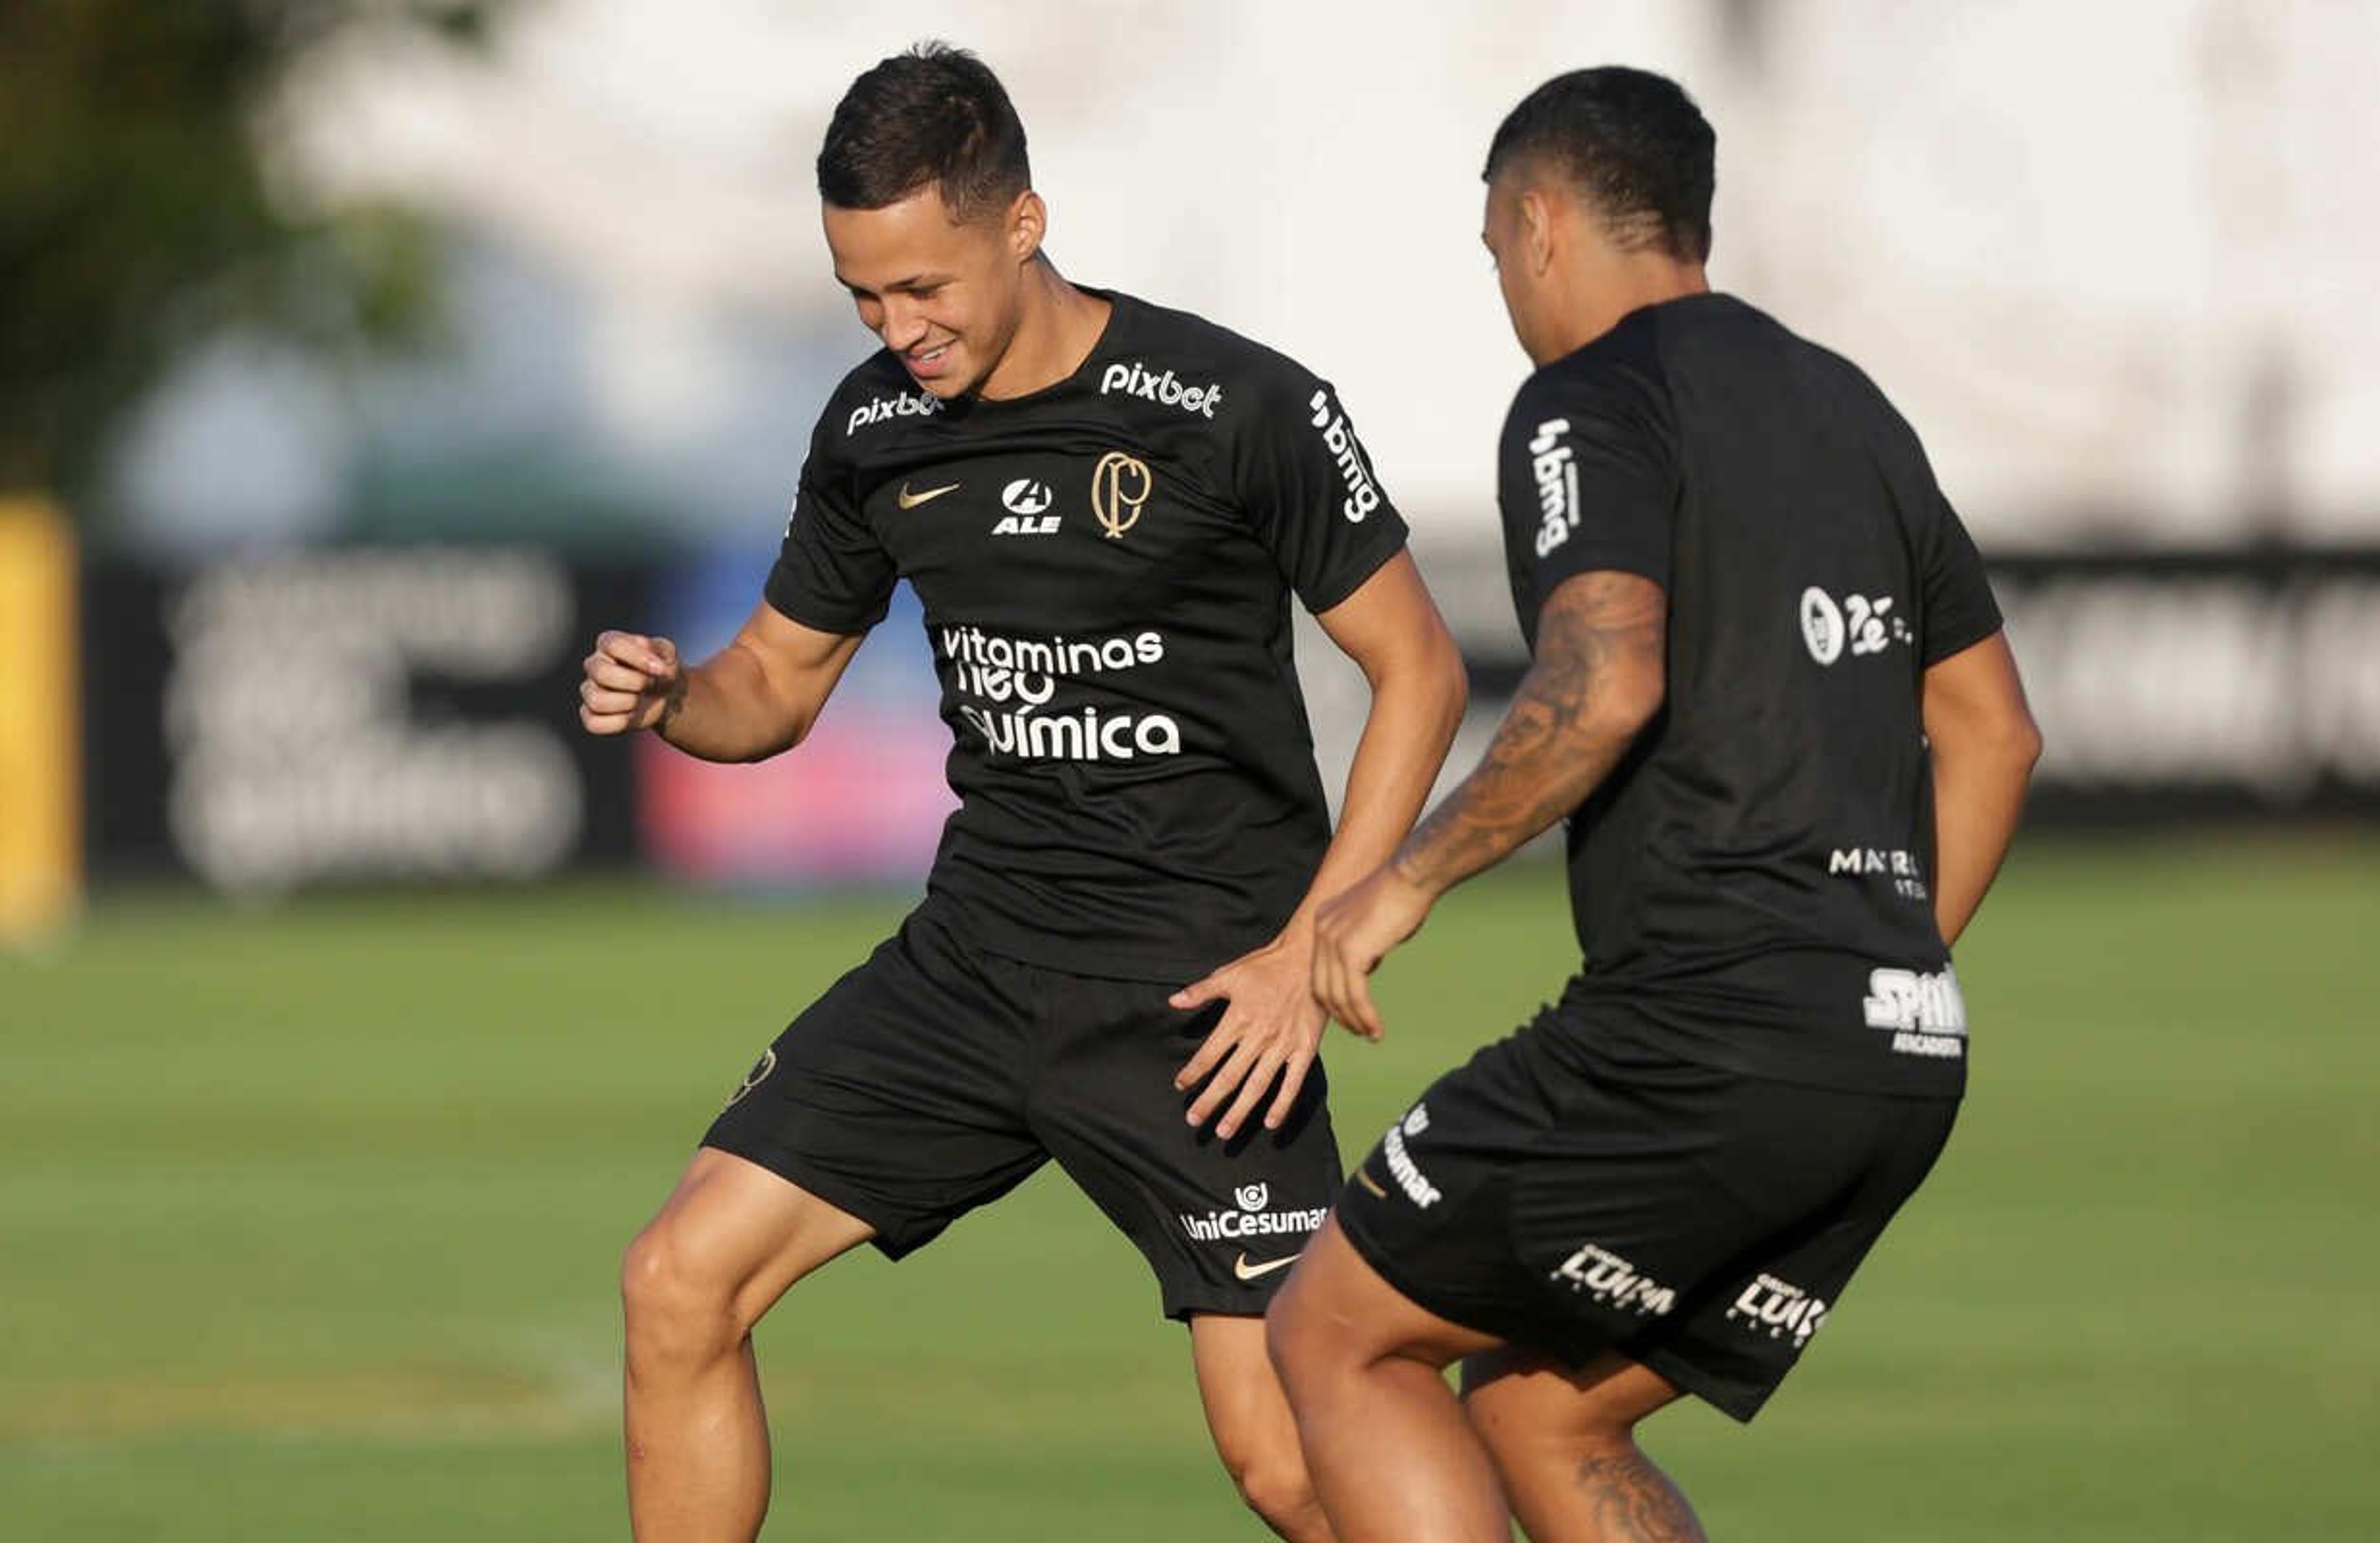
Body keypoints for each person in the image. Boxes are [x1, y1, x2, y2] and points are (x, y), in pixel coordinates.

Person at [577, 42, 1466, 1543]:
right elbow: (775, 690)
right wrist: (675, 699)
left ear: (1022, 224)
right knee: (677, 1281)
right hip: (977, 964)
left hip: (1201, 1007)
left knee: (1293, 1468)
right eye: (863, 296)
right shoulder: (873, 433)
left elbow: (1422, 673)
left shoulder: (1231, 404)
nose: (897, 329)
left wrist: (1312, 953)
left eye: (925, 289)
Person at [1265, 66, 2042, 1542]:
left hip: (1696, 1032)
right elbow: (1995, 734)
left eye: (1494, 249)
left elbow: (1605, 678)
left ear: (1540, 221)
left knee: (1338, 1334)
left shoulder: (1590, 400)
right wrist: (1871, 976)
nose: (1502, 282)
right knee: (1544, 1409)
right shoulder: (1849, 403)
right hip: (1896, 1058)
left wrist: (1406, 880)